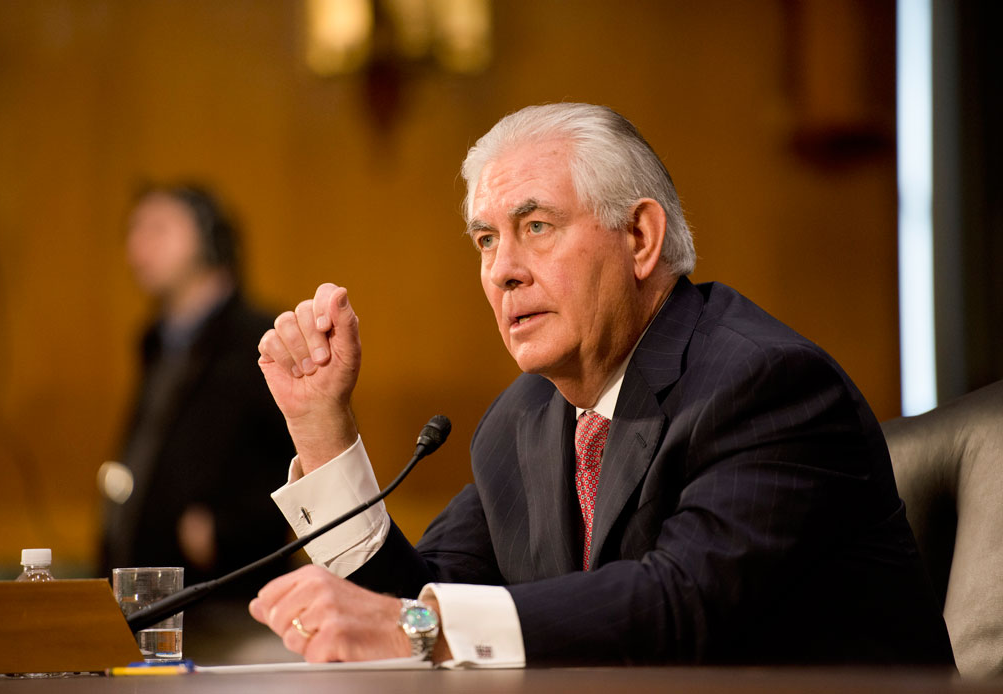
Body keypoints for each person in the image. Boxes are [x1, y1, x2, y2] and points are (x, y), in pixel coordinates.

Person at [249, 104, 954, 667]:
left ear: (641, 238)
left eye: (536, 225)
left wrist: (420, 624)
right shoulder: (525, 419)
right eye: (487, 240)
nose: (502, 271)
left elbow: (679, 606)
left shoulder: (765, 385)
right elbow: (414, 607)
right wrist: (322, 430)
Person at [102, 184, 293, 656]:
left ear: (208, 239)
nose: (136, 248)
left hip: (232, 607)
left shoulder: (259, 338)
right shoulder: (156, 341)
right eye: (134, 232)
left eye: (158, 229)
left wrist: (223, 533)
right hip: (148, 603)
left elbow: (299, 459)